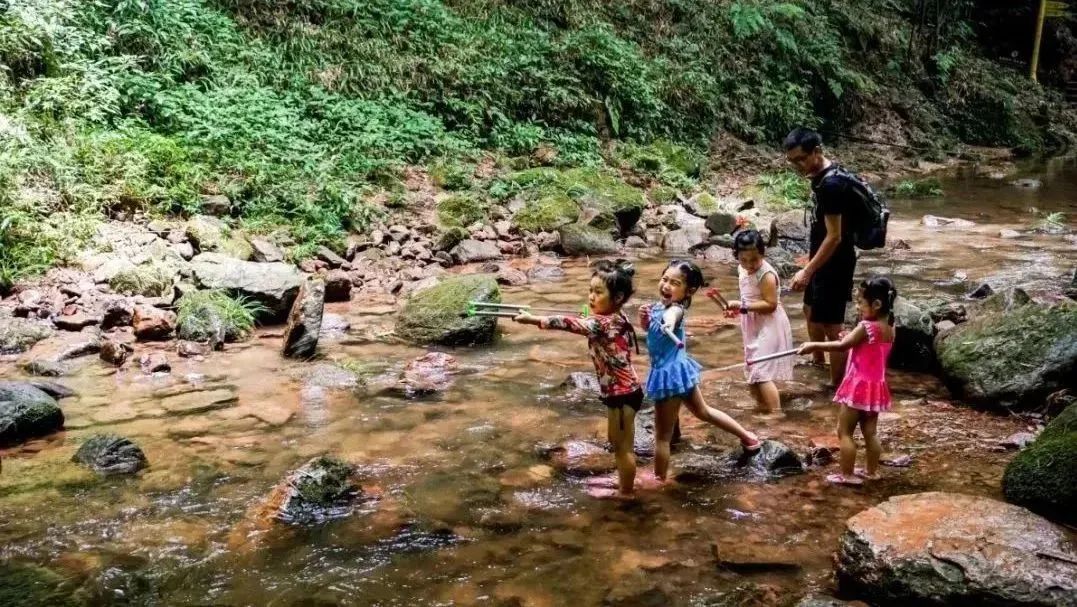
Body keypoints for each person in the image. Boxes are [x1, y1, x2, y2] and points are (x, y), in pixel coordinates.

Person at [513, 259, 644, 498]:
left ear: (617, 298)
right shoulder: (615, 315)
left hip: (624, 393)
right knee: (616, 442)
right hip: (618, 393)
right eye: (590, 290)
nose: (591, 296)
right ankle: (623, 481)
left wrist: (533, 319)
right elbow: (586, 323)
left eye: (598, 292)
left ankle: (627, 493)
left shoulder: (602, 323)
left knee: (624, 448)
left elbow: (569, 323)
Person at [639, 260, 762, 483]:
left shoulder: (676, 309)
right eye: (665, 279)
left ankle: (658, 480)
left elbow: (671, 317)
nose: (666, 285)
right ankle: (748, 437)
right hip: (679, 371)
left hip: (669, 376)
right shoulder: (659, 306)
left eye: (675, 283)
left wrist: (667, 322)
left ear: (690, 291)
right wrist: (645, 321)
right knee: (703, 411)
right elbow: (652, 329)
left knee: (662, 438)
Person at [798, 276, 896, 486]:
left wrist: (814, 345)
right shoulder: (889, 328)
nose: (858, 306)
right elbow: (863, 347)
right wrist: (848, 338)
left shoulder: (866, 327)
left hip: (858, 386)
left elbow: (842, 346)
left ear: (876, 305)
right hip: (876, 387)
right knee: (870, 433)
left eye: (861, 302)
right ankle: (871, 471)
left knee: (844, 432)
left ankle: (847, 475)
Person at [784, 127, 860, 386]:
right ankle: (817, 361)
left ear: (817, 151)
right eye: (792, 161)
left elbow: (835, 236)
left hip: (836, 263)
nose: (797, 165)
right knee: (809, 309)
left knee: (832, 326)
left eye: (801, 159)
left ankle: (837, 387)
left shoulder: (832, 184)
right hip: (821, 260)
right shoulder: (821, 176)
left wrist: (807, 270)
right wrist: (810, 263)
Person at [709, 229, 794, 412]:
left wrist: (743, 307)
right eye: (744, 260)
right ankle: (761, 406)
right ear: (737, 256)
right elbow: (747, 298)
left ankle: (775, 413)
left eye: (754, 260)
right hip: (752, 322)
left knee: (761, 371)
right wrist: (738, 310)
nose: (749, 265)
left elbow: (771, 304)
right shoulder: (742, 268)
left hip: (770, 324)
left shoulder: (766, 275)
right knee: (752, 367)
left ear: (762, 253)